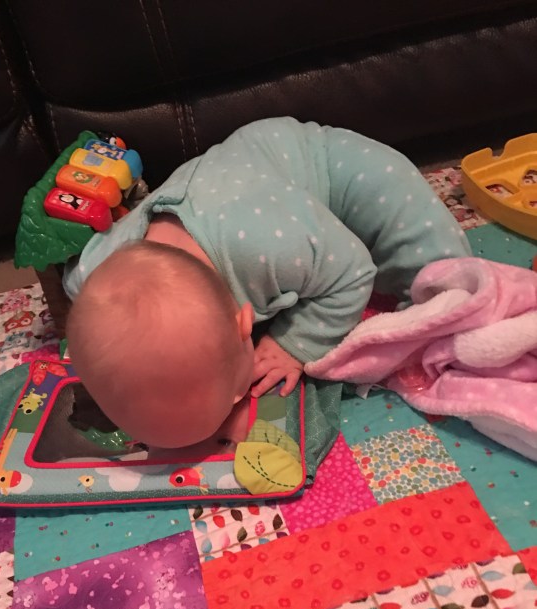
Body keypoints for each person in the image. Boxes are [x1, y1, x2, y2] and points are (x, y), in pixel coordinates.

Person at [65, 117, 470, 448]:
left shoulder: (270, 248)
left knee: (447, 273)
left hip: (325, 167)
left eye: (232, 400)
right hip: (249, 192)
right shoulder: (94, 271)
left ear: (245, 324)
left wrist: (294, 344)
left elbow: (353, 272)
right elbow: (84, 293)